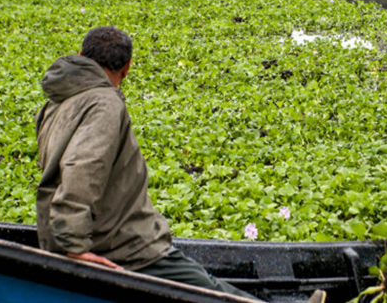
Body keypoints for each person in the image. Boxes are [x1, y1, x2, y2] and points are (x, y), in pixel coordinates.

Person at [35, 26, 326, 303]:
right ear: (127, 68)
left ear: (83, 57)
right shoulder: (104, 104)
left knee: (200, 280)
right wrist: (74, 247)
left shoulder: (56, 103)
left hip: (76, 235)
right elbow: (83, 166)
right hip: (122, 245)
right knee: (204, 289)